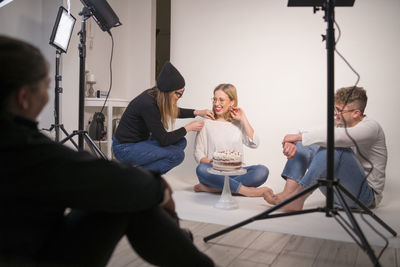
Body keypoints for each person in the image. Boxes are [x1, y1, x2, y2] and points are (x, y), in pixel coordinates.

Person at [0, 35, 214, 267]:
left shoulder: (17, 146)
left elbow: (173, 113)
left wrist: (195, 112)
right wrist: (157, 185)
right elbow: (154, 147)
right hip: (126, 151)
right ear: (23, 98)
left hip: (30, 243)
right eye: (46, 87)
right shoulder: (23, 150)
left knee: (136, 181)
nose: (46, 96)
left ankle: (174, 233)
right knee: (131, 191)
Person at [264, 86, 387, 211]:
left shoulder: (371, 127)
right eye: (335, 108)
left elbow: (340, 139)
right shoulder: (339, 123)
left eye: (339, 110)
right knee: (304, 144)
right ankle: (288, 194)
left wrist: (299, 137)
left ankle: (299, 197)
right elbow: (307, 132)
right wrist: (292, 141)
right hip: (336, 194)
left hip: (363, 198)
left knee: (334, 147)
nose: (335, 113)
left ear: (356, 113)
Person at [112, 62, 214, 174]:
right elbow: (163, 139)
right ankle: (138, 177)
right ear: (168, 92)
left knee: (180, 142)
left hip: (141, 141)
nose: (181, 96)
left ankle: (138, 171)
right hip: (125, 148)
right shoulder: (148, 104)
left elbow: (173, 111)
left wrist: (198, 112)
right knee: (177, 155)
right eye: (179, 93)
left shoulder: (157, 95)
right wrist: (188, 128)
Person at [194, 83, 270, 197]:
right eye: (214, 99)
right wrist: (210, 163)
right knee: (201, 169)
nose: (216, 104)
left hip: (236, 172)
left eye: (221, 100)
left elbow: (255, 143)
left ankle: (215, 189)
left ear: (232, 102)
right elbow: (198, 152)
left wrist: (243, 119)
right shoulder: (206, 123)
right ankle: (246, 191)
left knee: (262, 171)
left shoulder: (238, 123)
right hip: (215, 172)